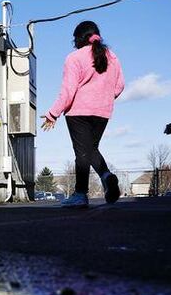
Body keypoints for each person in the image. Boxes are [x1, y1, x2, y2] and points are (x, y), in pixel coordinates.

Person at [41, 21, 125, 208]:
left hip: (79, 112)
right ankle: (107, 176)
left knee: (82, 153)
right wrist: (103, 98)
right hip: (102, 112)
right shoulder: (112, 57)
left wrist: (52, 113)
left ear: (78, 39)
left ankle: (80, 194)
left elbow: (68, 91)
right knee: (91, 149)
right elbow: (119, 86)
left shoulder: (74, 58)